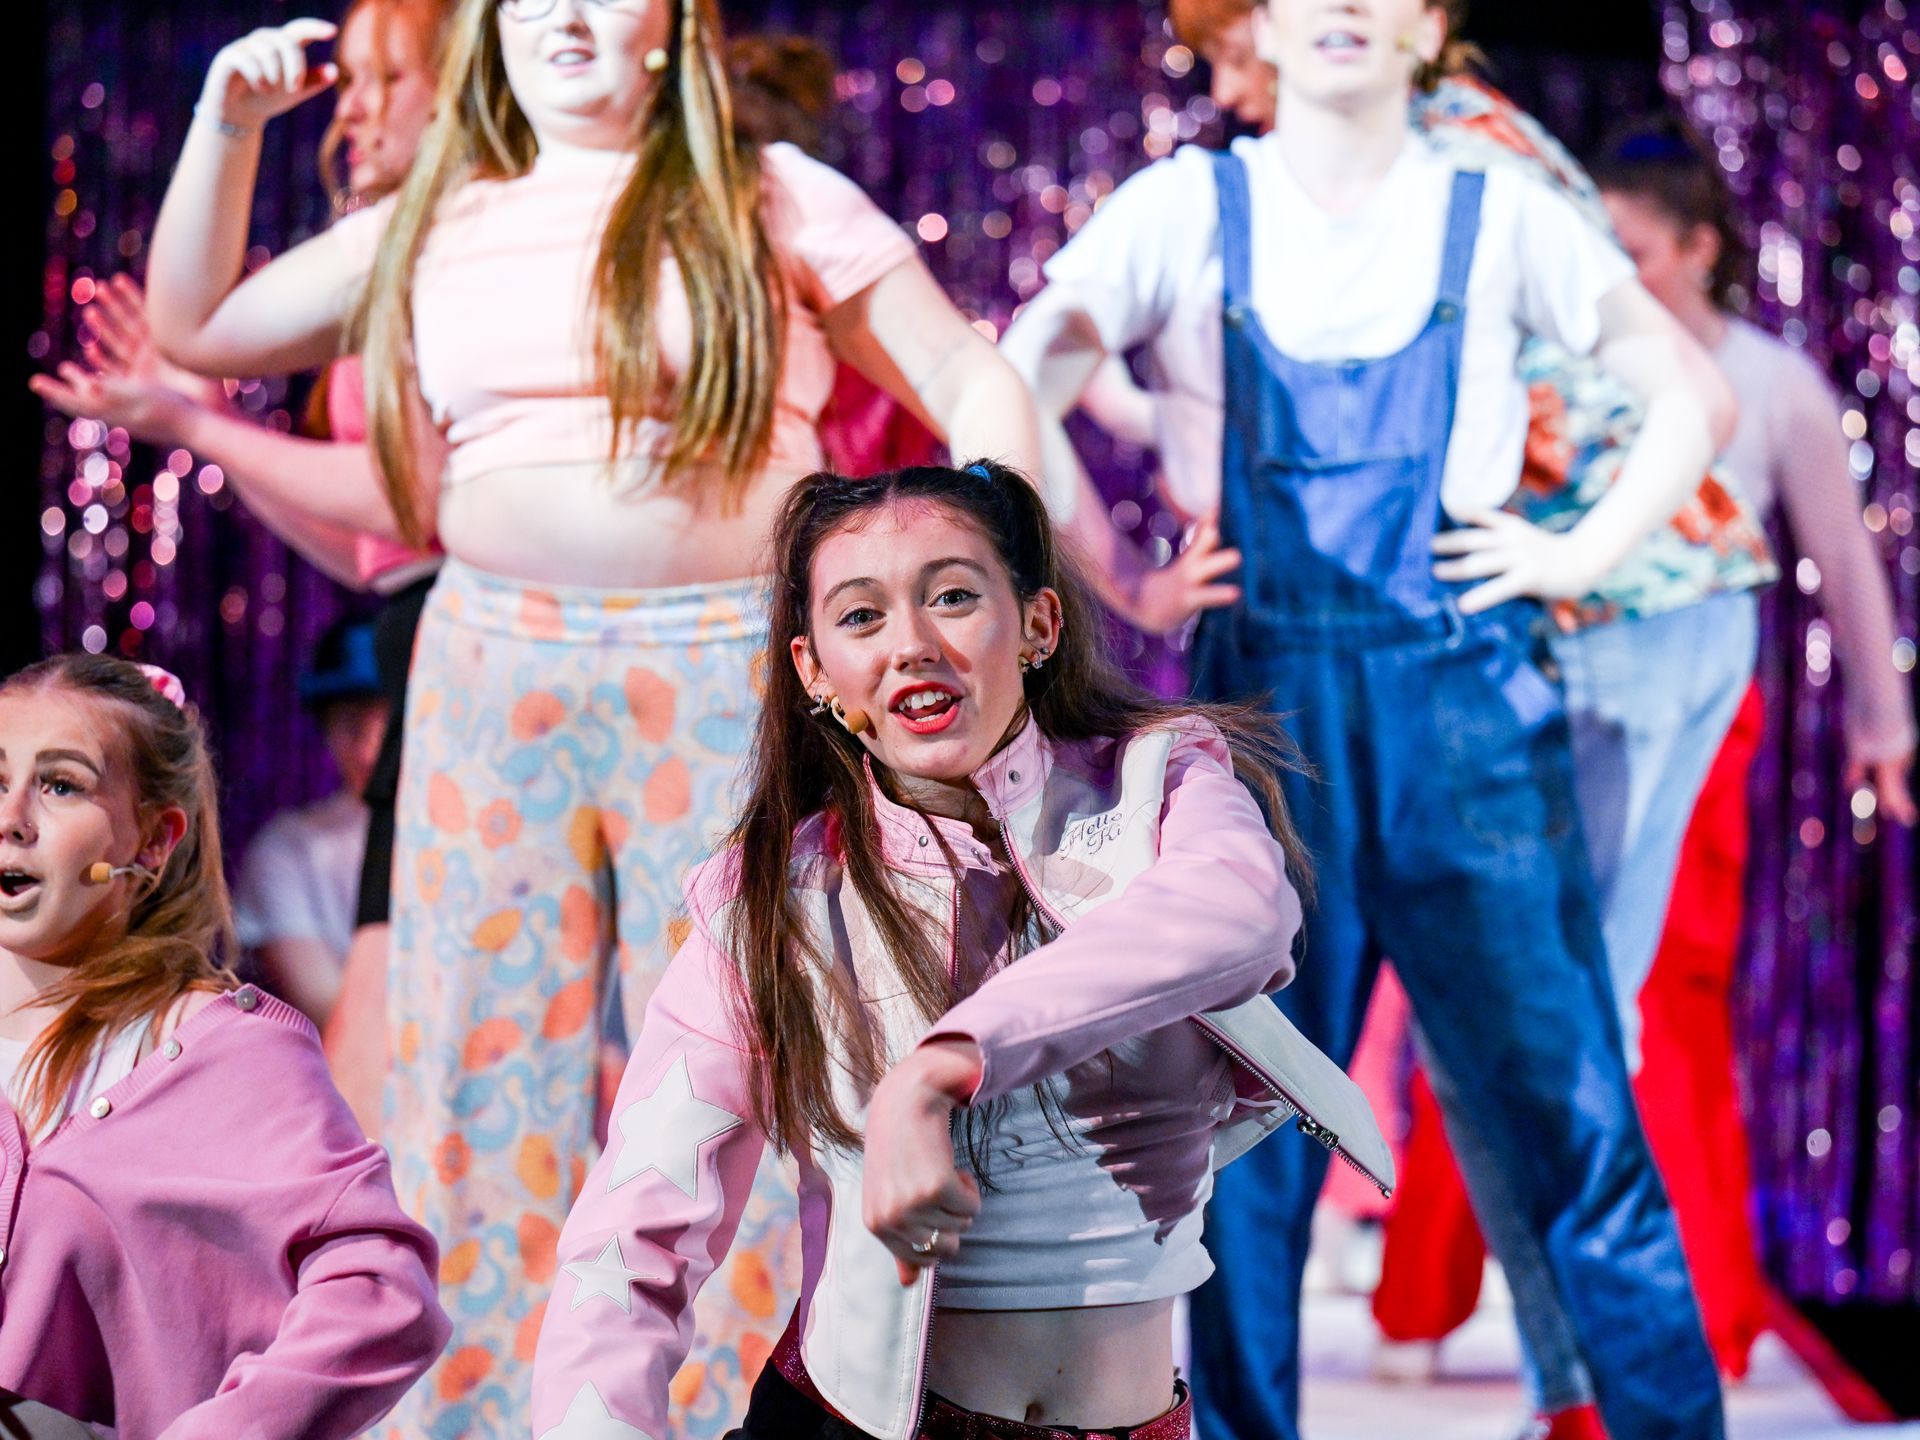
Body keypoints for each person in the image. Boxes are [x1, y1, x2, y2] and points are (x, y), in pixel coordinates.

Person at [142, 3, 1042, 1432]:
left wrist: (988, 559)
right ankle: (479, 1416)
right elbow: (197, 325)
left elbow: (964, 371)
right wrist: (228, 124)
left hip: (726, 665)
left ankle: (758, 1414)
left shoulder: (767, 194)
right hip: (496, 668)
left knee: (752, 1050)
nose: (562, 12)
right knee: (475, 1062)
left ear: (670, 26)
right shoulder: (440, 210)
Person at [1001, 1, 1736, 1437]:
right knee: (1243, 1137)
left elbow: (1691, 396)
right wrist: (1114, 579)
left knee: (1572, 1116)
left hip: (1468, 720)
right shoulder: (1185, 208)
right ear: (1263, 21)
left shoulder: (1497, 211)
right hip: (1262, 721)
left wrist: (1577, 555)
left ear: (1430, 24)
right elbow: (1019, 379)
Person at [530, 459, 1390, 1440]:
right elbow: (628, 1255)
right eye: (862, 617)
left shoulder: (1162, 788)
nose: (911, 645)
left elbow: (1243, 913)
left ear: (1037, 625)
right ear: (815, 672)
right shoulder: (773, 899)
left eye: (951, 597)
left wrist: (939, 1069)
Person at [30, 0, 455, 1136]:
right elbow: (380, 551)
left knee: (421, 1016)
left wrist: (200, 421)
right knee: (381, 1023)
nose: (352, 111)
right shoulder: (391, 248)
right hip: (429, 636)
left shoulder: (461, 249)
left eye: (385, 80)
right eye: (347, 81)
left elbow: (406, 503)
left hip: (490, 647)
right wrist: (204, 416)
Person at [1594, 120, 1918, 1378]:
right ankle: (1449, 1298)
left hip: (1700, 712)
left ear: (1698, 248)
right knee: (1542, 997)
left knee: (1668, 996)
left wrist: (1884, 720)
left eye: (1632, 250)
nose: (1614, 275)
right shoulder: (1578, 362)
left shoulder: (1772, 382)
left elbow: (1845, 563)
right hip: (1566, 703)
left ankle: (1695, 1311)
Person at [0, 653, 448, 1437]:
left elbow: (381, 1293)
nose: (11, 818)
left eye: (61, 785)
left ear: (152, 840)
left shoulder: (222, 1052)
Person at [233, 615, 388, 1026]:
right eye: (352, 725)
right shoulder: (287, 848)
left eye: (391, 724)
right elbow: (330, 1012)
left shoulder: (470, 839)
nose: (370, 751)